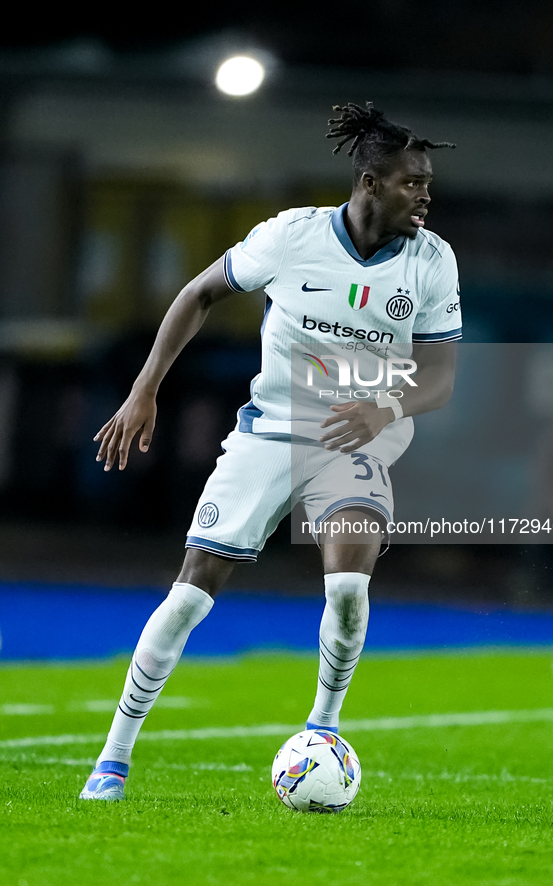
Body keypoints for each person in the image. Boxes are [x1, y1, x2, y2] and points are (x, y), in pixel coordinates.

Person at [80, 101, 461, 800]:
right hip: (270, 432)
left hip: (357, 437)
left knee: (348, 584)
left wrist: (386, 406)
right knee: (192, 592)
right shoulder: (291, 237)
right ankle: (112, 757)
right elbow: (198, 294)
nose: (425, 196)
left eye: (427, 183)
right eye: (412, 183)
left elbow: (438, 378)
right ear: (369, 183)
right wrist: (144, 391)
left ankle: (323, 727)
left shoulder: (431, 262)